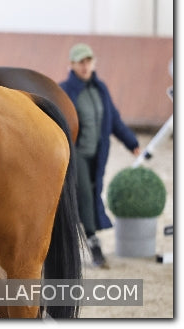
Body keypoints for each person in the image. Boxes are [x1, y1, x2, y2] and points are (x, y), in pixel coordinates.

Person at [59, 43, 140, 268]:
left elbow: (113, 118)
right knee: (84, 195)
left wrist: (131, 142)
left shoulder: (100, 89)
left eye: (88, 62)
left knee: (93, 193)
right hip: (75, 155)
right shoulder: (64, 90)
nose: (85, 67)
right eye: (80, 62)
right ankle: (94, 245)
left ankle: (77, 245)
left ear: (94, 63)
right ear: (72, 65)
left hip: (98, 154)